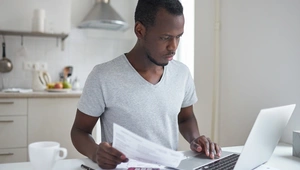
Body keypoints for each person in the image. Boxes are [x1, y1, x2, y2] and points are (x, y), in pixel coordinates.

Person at [71, 0, 221, 169]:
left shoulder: (182, 74)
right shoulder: (103, 76)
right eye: (165, 37)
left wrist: (195, 139)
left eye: (178, 37)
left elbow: (185, 118)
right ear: (140, 30)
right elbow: (79, 131)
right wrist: (95, 152)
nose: (174, 47)